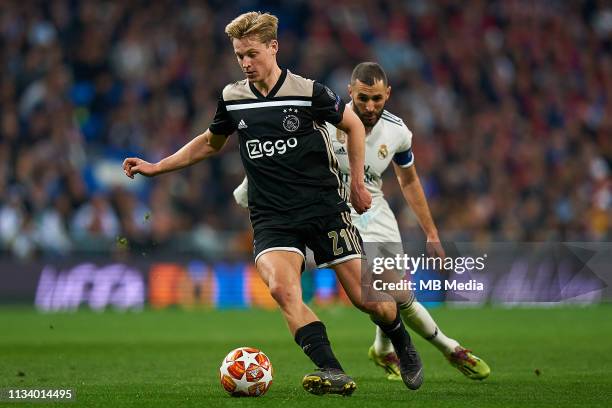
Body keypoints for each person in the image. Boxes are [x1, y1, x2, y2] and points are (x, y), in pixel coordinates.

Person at [123, 13, 424, 395]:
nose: (245, 63)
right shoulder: (233, 99)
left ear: (273, 47)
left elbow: (352, 124)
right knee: (282, 290)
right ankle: (331, 369)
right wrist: (158, 166)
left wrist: (359, 187)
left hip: (324, 209)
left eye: (251, 53)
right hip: (271, 216)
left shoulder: (308, 91)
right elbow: (210, 142)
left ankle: (402, 341)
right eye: (239, 56)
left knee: (371, 302)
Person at [234, 62, 490, 381]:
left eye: (378, 99)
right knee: (379, 291)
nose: (370, 107)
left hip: (374, 211)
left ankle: (388, 349)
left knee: (393, 291)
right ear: (350, 92)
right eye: (363, 98)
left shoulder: (397, 132)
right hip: (327, 210)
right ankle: (448, 348)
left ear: (388, 95)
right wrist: (249, 191)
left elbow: (409, 181)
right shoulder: (321, 120)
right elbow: (276, 161)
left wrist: (431, 231)